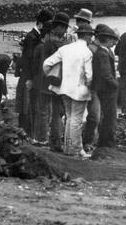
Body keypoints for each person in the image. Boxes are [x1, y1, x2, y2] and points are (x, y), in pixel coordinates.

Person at [43, 23, 94, 158]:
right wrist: (91, 88)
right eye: (91, 36)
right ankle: (73, 149)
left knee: (70, 118)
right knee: (76, 119)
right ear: (88, 36)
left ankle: (68, 147)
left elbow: (47, 64)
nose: (91, 39)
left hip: (64, 89)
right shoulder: (87, 52)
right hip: (80, 90)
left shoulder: (65, 49)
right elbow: (89, 76)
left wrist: (55, 78)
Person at [33, 12, 69, 146]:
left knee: (44, 111)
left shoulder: (48, 43)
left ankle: (42, 138)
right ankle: (50, 138)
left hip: (46, 81)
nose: (65, 31)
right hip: (56, 82)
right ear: (59, 27)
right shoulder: (59, 44)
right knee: (54, 112)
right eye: (64, 28)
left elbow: (43, 64)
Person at [16, 9, 53, 131]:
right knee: (26, 106)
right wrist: (30, 78)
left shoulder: (33, 36)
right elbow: (29, 60)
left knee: (29, 105)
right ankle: (26, 131)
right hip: (28, 75)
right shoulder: (32, 37)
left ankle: (27, 131)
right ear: (41, 24)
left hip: (29, 74)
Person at [93, 26, 120, 148]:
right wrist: (116, 84)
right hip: (107, 89)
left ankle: (105, 141)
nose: (114, 42)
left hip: (104, 88)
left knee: (107, 116)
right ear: (108, 39)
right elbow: (106, 74)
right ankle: (107, 142)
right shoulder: (103, 53)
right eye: (112, 39)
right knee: (110, 116)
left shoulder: (102, 51)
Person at [82, 23, 107, 150]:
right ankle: (87, 142)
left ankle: (93, 141)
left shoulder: (99, 49)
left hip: (98, 87)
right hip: (93, 87)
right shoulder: (92, 49)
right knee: (94, 116)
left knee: (97, 115)